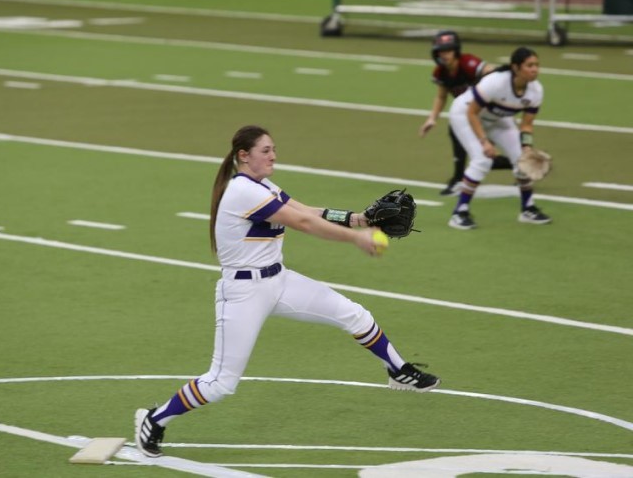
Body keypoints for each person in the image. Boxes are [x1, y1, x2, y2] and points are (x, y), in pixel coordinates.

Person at [134, 125, 441, 458]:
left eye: (274, 149)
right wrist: (356, 238)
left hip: (279, 282)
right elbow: (304, 224)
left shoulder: (262, 185)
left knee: (354, 314)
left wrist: (358, 219)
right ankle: (154, 419)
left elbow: (306, 211)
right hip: (243, 293)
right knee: (221, 383)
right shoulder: (243, 191)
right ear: (244, 156)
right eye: (266, 151)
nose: (273, 156)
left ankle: (398, 370)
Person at [447, 46, 552, 229]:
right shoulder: (495, 82)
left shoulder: (536, 91)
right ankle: (459, 212)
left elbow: (526, 125)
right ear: (516, 68)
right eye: (529, 65)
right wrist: (484, 142)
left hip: (497, 118)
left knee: (522, 159)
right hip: (464, 114)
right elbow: (472, 113)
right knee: (482, 160)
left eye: (537, 65)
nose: (535, 69)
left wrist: (527, 147)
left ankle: (527, 209)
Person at [419, 30, 512, 196]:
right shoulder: (441, 72)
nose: (444, 54)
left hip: (487, 111)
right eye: (441, 51)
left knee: (482, 155)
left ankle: (459, 178)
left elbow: (491, 72)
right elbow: (441, 96)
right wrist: (432, 118)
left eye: (448, 50)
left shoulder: (468, 63)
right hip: (470, 113)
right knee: (484, 157)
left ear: (456, 51)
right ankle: (520, 165)